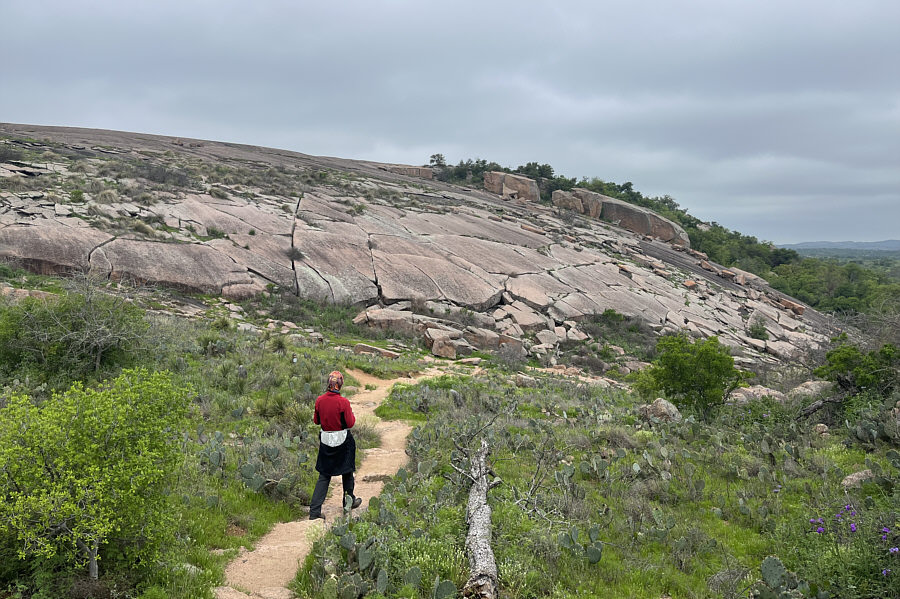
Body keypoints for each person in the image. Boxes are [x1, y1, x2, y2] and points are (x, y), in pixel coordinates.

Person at [308, 370, 362, 520]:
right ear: (340, 384)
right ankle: (348, 502)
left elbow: (316, 421)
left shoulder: (319, 400)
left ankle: (314, 512)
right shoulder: (343, 402)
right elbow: (350, 423)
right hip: (343, 440)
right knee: (347, 470)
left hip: (326, 441)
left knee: (324, 476)